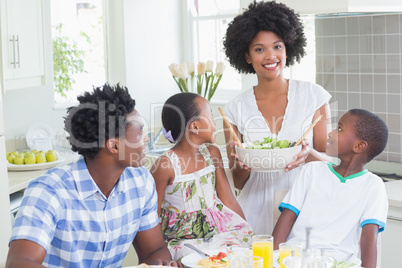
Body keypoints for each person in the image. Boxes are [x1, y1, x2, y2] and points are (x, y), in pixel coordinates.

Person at [6, 84, 177, 267]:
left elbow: (154, 250)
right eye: (140, 132)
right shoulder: (49, 191)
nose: (146, 139)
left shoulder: (141, 183)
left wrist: (161, 264)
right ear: (114, 146)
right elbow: (20, 263)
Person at [222, 1, 332, 234]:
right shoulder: (234, 109)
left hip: (306, 204)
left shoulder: (314, 96)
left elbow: (332, 164)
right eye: (259, 49)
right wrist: (242, 164)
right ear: (247, 56)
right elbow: (239, 182)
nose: (270, 56)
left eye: (277, 46)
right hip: (255, 209)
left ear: (288, 48)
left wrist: (307, 155)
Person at [272, 109, 389, 268]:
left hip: (339, 262)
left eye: (339, 129)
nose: (330, 134)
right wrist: (272, 259)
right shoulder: (311, 171)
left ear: (359, 146)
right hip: (296, 258)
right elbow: (287, 218)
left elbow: (369, 238)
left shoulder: (373, 185)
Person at [150, 92, 254, 261]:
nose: (215, 124)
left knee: (241, 254)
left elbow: (228, 200)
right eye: (211, 117)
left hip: (219, 231)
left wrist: (246, 231)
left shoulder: (212, 154)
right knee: (196, 259)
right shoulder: (165, 166)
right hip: (184, 240)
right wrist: (160, 254)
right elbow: (152, 216)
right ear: (195, 126)